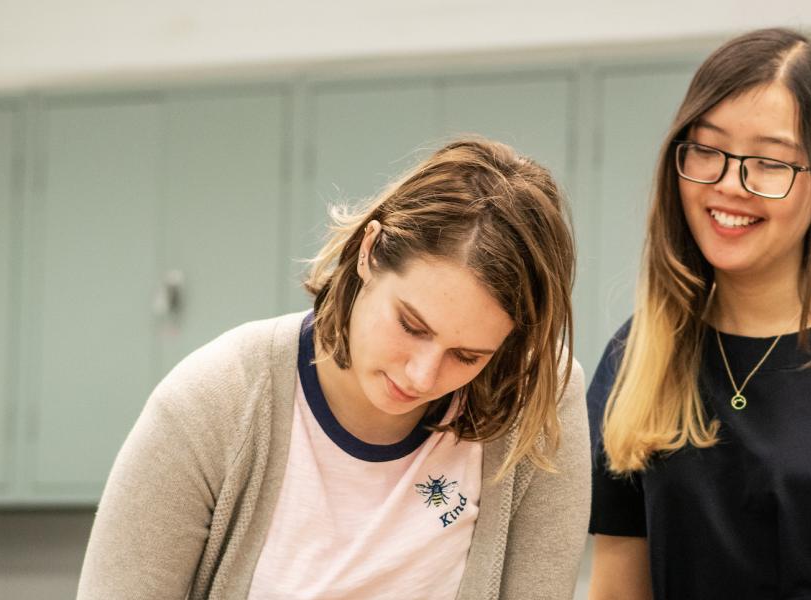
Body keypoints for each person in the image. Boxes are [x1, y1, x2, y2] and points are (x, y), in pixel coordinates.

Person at [78, 138, 588, 599]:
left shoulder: (538, 399)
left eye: (467, 356)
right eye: (411, 325)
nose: (422, 377)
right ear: (369, 251)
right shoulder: (213, 400)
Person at [587, 28, 811, 599]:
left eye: (768, 162)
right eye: (706, 150)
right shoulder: (636, 356)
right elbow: (617, 587)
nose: (730, 185)